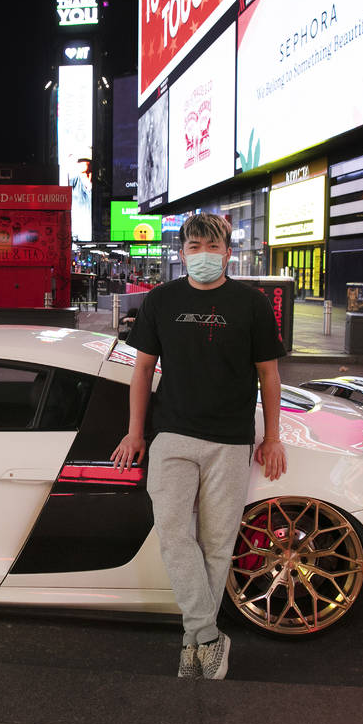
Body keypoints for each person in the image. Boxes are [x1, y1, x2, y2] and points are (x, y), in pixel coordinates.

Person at [111, 213, 287, 681]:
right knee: (173, 532)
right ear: (182, 251)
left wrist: (273, 436)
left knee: (216, 543)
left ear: (228, 252)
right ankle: (209, 635)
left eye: (212, 247)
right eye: (194, 246)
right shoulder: (162, 300)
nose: (203, 255)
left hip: (230, 439)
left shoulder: (251, 304)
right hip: (171, 434)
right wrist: (135, 431)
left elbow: (269, 375)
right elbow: (143, 370)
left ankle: (195, 641)